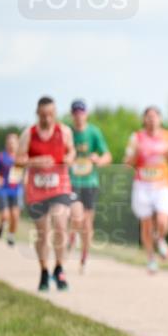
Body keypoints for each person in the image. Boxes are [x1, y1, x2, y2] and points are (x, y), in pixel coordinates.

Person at [16, 96, 76, 291]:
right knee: (43, 233)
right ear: (37, 114)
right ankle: (43, 271)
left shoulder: (64, 132)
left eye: (51, 115)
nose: (47, 119)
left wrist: (69, 158)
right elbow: (18, 160)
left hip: (60, 186)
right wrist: (35, 162)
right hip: (36, 189)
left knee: (60, 225)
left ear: (55, 114)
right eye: (43, 115)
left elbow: (72, 152)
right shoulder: (29, 134)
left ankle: (59, 269)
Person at [124, 106, 168, 273]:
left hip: (162, 184)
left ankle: (160, 238)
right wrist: (137, 154)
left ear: (160, 119)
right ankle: (151, 258)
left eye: (155, 116)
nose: (152, 119)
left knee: (163, 221)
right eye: (148, 116)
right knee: (146, 224)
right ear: (144, 119)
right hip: (142, 185)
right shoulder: (136, 137)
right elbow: (127, 162)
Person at [67, 99, 112, 272]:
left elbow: (107, 155)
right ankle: (72, 235)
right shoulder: (67, 132)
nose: (79, 116)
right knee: (76, 216)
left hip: (90, 183)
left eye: (82, 112)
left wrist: (99, 160)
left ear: (86, 114)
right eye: (76, 112)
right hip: (72, 182)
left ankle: (84, 257)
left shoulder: (94, 132)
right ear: (72, 114)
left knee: (87, 223)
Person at [0, 132, 23, 247]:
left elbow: (26, 171)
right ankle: (2, 224)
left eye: (14, 143)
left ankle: (11, 235)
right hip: (3, 189)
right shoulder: (1, 157)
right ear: (6, 144)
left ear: (18, 144)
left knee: (15, 215)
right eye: (9, 143)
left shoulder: (21, 157)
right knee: (5, 215)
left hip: (16, 189)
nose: (11, 145)